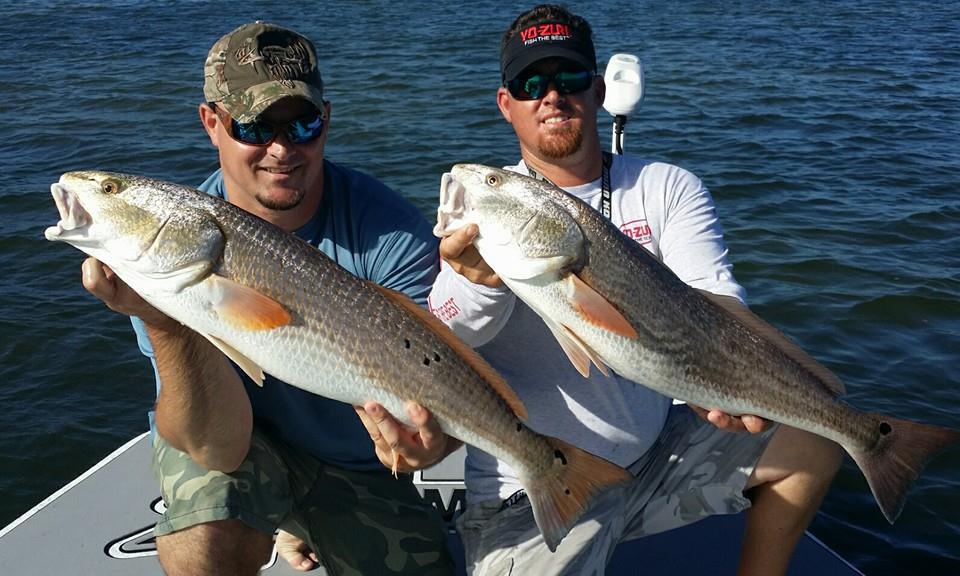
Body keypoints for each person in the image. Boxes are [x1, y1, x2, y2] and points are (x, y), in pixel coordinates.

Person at [421, 5, 845, 575]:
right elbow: (444, 341)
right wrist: (478, 284)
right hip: (536, 482)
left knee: (819, 435)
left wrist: (733, 377)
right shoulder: (492, 211)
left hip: (658, 451)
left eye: (569, 78)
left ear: (597, 91)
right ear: (507, 105)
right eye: (531, 84)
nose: (552, 96)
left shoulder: (666, 186)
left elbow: (715, 300)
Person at [81, 21, 455, 576]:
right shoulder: (167, 248)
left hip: (356, 461)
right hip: (242, 443)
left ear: (326, 120)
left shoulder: (391, 233)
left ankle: (306, 518)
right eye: (255, 126)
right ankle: (279, 516)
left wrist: (433, 446)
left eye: (301, 124)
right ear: (212, 123)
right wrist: (160, 320)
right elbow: (217, 450)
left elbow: (436, 388)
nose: (282, 149)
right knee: (207, 536)